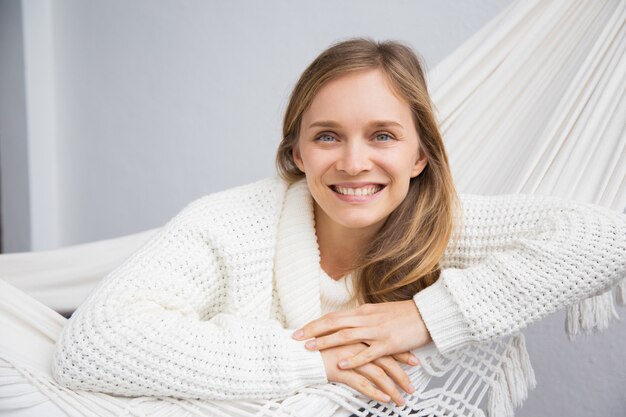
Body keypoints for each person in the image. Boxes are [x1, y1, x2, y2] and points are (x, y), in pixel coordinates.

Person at [2, 38, 625, 417]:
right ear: (297, 153)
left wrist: (425, 317)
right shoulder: (231, 222)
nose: (354, 162)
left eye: (382, 135)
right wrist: (311, 361)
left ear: (420, 156)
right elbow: (92, 348)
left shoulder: (446, 229)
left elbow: (607, 240)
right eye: (327, 136)